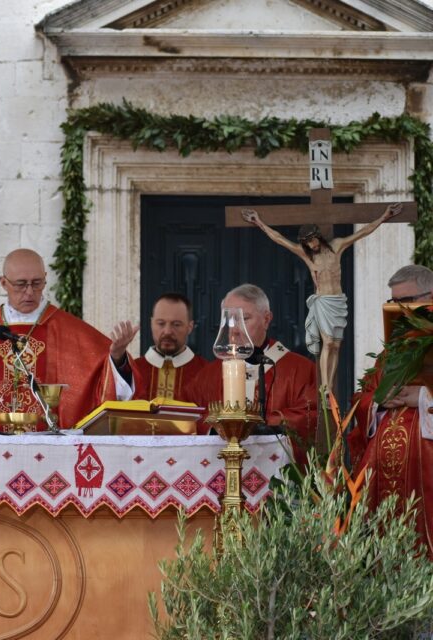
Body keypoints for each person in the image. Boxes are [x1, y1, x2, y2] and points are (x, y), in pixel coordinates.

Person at [0, 249, 137, 429]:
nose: (29, 292)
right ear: (3, 282)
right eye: (20, 284)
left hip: (52, 454)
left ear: (45, 280)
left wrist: (117, 357)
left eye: (37, 283)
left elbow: (105, 378)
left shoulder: (72, 331)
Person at [242, 203, 401, 394]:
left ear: (318, 236)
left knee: (336, 345)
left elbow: (363, 232)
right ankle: (325, 384)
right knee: (328, 343)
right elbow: (280, 239)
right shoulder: (307, 255)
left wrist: (385, 216)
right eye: (308, 243)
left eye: (313, 240)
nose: (312, 245)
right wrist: (259, 222)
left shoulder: (337, 246)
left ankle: (330, 383)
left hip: (338, 301)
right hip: (323, 302)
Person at [347, 265, 433, 554]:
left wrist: (422, 397)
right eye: (392, 303)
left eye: (405, 302)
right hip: (381, 471)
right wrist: (380, 401)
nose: (398, 311)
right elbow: (364, 396)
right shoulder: (391, 352)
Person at [186, 284, 318, 459]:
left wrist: (262, 424)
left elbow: (312, 417)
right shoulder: (208, 375)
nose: (234, 329)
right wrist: (217, 427)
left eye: (244, 319)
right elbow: (189, 416)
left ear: (266, 319)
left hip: (277, 477)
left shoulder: (300, 369)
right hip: (219, 475)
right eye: (229, 321)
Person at [132, 293, 208, 402]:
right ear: (151, 324)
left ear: (190, 327)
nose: (167, 331)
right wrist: (117, 356)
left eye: (176, 324)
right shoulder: (133, 370)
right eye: (161, 323)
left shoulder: (206, 373)